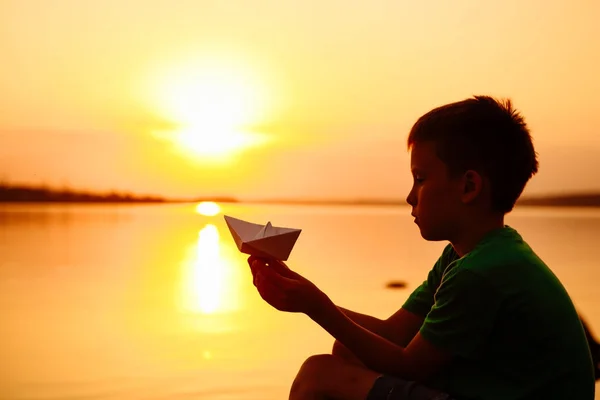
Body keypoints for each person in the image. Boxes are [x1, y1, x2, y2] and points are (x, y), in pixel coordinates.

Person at [247, 95, 596, 400]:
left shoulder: (483, 273)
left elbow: (408, 365)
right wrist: (302, 294)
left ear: (469, 186)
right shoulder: (467, 256)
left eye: (421, 179)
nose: (410, 196)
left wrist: (315, 306)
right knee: (348, 351)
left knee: (317, 375)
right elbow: (394, 334)